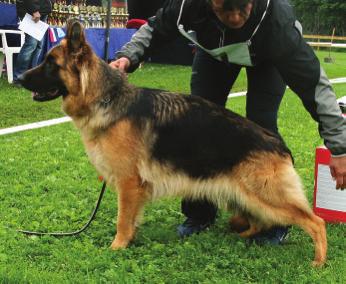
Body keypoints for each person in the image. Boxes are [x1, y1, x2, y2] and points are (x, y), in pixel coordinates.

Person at [109, 0, 346, 244]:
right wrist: (128, 56)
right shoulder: (188, 5)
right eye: (225, 9)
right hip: (214, 53)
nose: (234, 18)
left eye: (242, 7)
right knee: (197, 127)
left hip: (267, 56)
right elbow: (155, 27)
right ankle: (199, 214)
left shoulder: (278, 23)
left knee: (261, 124)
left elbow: (314, 86)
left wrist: (339, 147)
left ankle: (274, 221)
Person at [13, 0, 52, 86]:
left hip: (41, 12)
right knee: (31, 45)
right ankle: (19, 78)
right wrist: (34, 10)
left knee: (38, 46)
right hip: (32, 12)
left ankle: (31, 77)